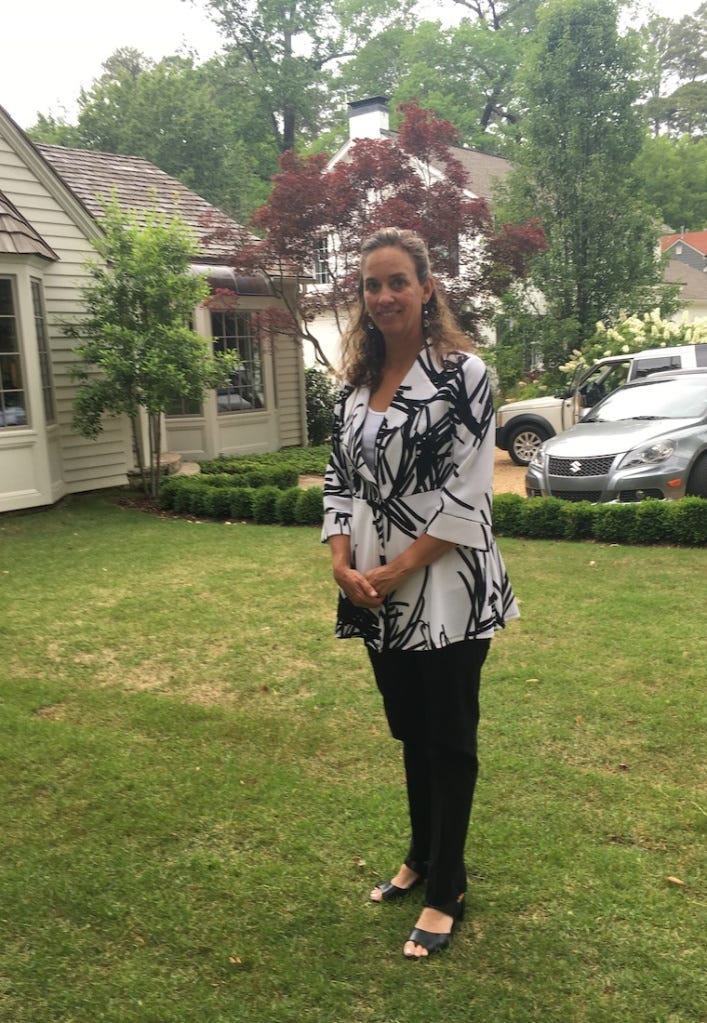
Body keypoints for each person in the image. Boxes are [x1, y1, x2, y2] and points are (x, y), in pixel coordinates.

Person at [321, 227, 519, 960]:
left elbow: (469, 496)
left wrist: (393, 569)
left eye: (397, 281)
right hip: (374, 590)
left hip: (445, 586)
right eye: (371, 284)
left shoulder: (464, 375)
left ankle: (447, 888)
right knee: (410, 729)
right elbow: (339, 483)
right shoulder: (355, 388)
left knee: (449, 737)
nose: (383, 296)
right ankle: (421, 853)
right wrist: (342, 564)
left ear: (426, 288)